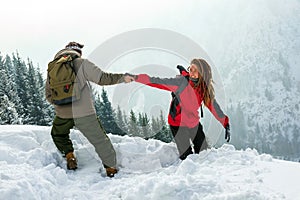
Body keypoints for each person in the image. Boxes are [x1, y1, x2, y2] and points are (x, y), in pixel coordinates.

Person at [45, 42, 134, 177]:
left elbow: (48, 95)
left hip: (62, 113)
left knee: (58, 134)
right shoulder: (81, 63)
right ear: (78, 52)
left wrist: (61, 105)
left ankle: (69, 156)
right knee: (100, 141)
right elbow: (103, 78)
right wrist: (123, 78)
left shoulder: (53, 67)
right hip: (84, 112)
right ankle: (111, 169)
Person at [134, 58, 230, 160]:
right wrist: (137, 78)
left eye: (195, 70)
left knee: (203, 153)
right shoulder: (181, 83)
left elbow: (213, 107)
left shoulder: (203, 89)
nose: (191, 73)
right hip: (177, 124)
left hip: (193, 123)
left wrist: (225, 123)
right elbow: (158, 82)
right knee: (187, 157)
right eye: (190, 69)